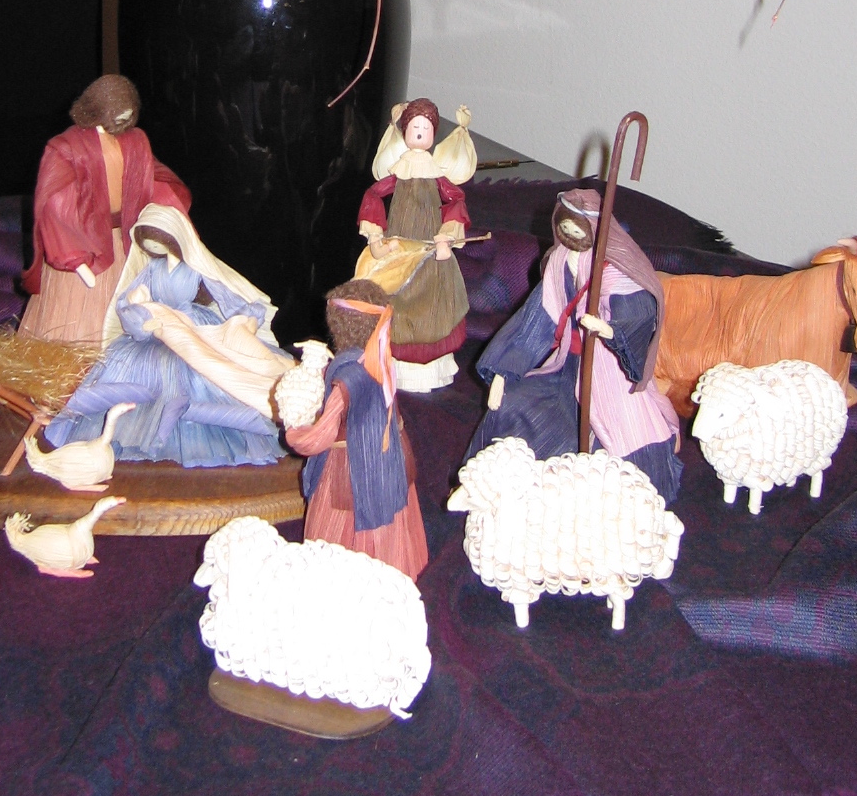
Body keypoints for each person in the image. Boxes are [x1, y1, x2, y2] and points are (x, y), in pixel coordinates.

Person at [465, 186, 682, 503]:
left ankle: (615, 498)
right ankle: (502, 485)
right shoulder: (559, 262)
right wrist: (504, 370)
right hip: (566, 366)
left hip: (609, 371)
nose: (569, 235)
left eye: (577, 229)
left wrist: (610, 330)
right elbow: (537, 318)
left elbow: (636, 309)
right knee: (514, 403)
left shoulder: (615, 269)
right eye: (564, 227)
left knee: (623, 435)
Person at [39, 203, 291, 467]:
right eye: (149, 243)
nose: (153, 248)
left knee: (201, 368)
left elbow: (225, 294)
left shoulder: (194, 268)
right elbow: (127, 301)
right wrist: (140, 319)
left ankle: (203, 430)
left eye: (158, 241)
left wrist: (245, 316)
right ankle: (138, 429)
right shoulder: (152, 269)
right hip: (155, 325)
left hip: (191, 324)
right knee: (140, 369)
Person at [19, 75, 189, 346]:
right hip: (82, 243)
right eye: (119, 111)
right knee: (76, 321)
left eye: (129, 112)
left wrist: (171, 227)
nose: (124, 118)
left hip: (125, 241)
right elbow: (55, 204)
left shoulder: (135, 142)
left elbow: (153, 183)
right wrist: (73, 256)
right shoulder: (67, 148)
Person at [282, 279, 427, 580]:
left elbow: (317, 439)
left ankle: (349, 581)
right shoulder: (378, 359)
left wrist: (293, 430)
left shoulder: (349, 378)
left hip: (352, 465)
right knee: (388, 509)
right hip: (387, 456)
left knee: (347, 521)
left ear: (337, 325)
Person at [355, 99, 475, 391]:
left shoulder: (436, 175)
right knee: (393, 299)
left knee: (432, 306)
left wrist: (446, 236)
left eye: (426, 128)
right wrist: (375, 236)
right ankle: (390, 363)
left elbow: (456, 200)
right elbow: (374, 195)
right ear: (405, 131)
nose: (420, 132)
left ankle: (429, 369)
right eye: (414, 127)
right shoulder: (399, 171)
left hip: (431, 253)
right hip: (398, 251)